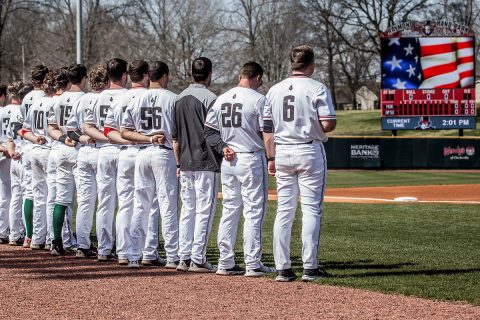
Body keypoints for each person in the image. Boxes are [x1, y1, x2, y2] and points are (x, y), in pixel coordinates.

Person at [263, 45, 337, 282]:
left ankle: (283, 268)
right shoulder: (317, 87)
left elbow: (267, 129)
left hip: (282, 151)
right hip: (308, 149)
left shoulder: (274, 90)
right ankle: (309, 267)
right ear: (311, 64)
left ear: (291, 63)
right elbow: (328, 124)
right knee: (311, 209)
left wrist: (271, 157)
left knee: (284, 211)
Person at [204, 61, 275, 277]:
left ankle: (225, 262)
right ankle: (252, 263)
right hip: (251, 158)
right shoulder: (259, 99)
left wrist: (223, 147)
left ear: (240, 76)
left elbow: (209, 131)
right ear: (257, 77)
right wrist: (272, 157)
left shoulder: (221, 98)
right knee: (254, 211)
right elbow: (267, 133)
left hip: (229, 159)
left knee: (230, 209)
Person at [121, 61, 179, 269]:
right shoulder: (173, 98)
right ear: (164, 76)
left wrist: (147, 139)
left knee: (141, 206)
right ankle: (173, 256)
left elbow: (125, 132)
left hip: (142, 153)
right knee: (167, 205)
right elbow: (178, 136)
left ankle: (135, 255)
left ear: (149, 76)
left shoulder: (138, 98)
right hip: (164, 155)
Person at [172, 57, 221, 273]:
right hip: (206, 161)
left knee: (188, 209)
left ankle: (183, 256)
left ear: (191, 73)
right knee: (204, 210)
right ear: (209, 73)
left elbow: (175, 139)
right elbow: (216, 133)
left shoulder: (178, 98)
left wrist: (178, 163)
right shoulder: (212, 99)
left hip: (185, 160)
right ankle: (198, 258)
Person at [103, 60, 150, 265]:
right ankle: (147, 252)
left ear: (129, 76)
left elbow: (107, 130)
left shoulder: (121, 98)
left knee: (125, 204)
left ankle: (123, 252)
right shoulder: (150, 96)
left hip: (125, 153)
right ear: (147, 75)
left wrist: (126, 140)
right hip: (146, 151)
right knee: (146, 204)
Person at [83, 58, 128, 261]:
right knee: (126, 202)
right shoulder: (128, 96)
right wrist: (112, 136)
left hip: (103, 152)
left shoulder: (98, 97)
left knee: (105, 203)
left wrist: (104, 137)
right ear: (124, 75)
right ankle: (124, 248)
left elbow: (87, 127)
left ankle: (103, 249)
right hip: (123, 151)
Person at [66, 64, 109, 258]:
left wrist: (84, 138)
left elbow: (70, 131)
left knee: (85, 202)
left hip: (83, 152)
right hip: (102, 151)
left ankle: (82, 245)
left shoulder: (82, 100)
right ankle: (106, 246)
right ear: (106, 81)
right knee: (105, 202)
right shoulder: (107, 98)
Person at [47, 64, 87, 255]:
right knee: (83, 199)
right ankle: (82, 245)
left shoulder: (58, 99)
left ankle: (56, 242)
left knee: (61, 199)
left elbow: (51, 127)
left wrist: (63, 138)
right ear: (83, 78)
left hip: (61, 149)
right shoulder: (85, 98)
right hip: (79, 150)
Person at [22, 72, 58, 250]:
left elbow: (24, 130)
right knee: (53, 195)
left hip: (34, 151)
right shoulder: (53, 102)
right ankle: (53, 237)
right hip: (49, 151)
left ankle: (37, 238)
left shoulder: (35, 103)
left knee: (38, 196)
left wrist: (35, 139)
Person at [17, 65, 49, 249]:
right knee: (48, 194)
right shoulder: (45, 97)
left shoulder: (27, 97)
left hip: (28, 147)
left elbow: (21, 126)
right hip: (43, 144)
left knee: (31, 192)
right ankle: (45, 235)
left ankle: (30, 235)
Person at [0, 82, 24, 244]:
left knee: (4, 195)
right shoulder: (22, 110)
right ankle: (18, 231)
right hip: (17, 155)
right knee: (19, 195)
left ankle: (2, 230)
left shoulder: (2, 111)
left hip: (3, 153)